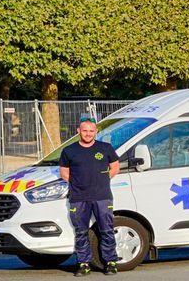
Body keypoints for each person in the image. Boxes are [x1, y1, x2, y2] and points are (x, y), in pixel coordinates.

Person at [59, 117, 120, 276]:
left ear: (96, 132)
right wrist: (77, 183)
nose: (88, 134)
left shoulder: (105, 148)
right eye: (84, 131)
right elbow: (64, 172)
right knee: (81, 232)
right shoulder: (69, 151)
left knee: (106, 229)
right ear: (78, 131)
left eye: (91, 131)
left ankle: (111, 262)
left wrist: (103, 180)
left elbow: (115, 167)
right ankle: (83, 264)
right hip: (78, 198)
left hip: (102, 196)